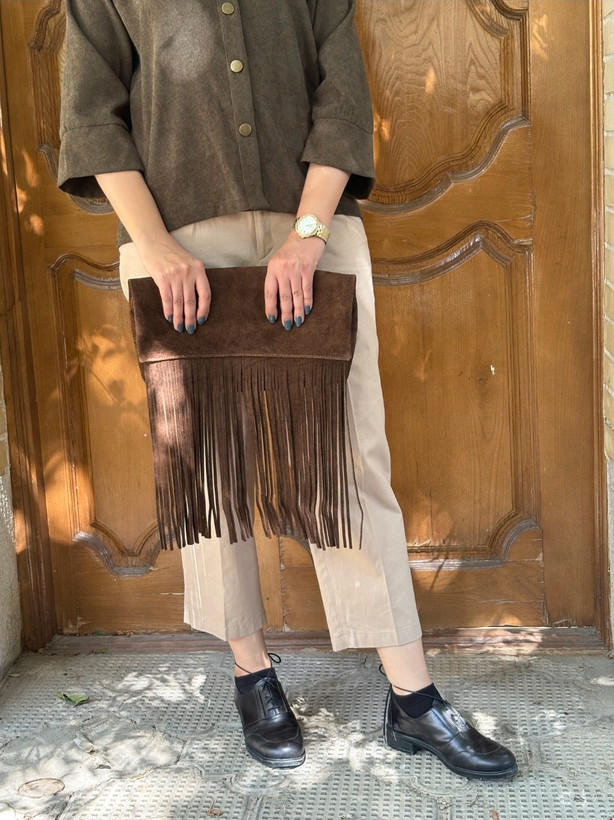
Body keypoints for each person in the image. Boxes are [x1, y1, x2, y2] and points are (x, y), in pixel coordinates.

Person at [58, 0, 517, 780]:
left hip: (313, 232)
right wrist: (158, 248)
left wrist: (306, 237)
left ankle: (413, 697)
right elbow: (92, 117)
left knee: (351, 461)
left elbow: (343, 99)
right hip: (176, 248)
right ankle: (253, 675)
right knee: (210, 469)